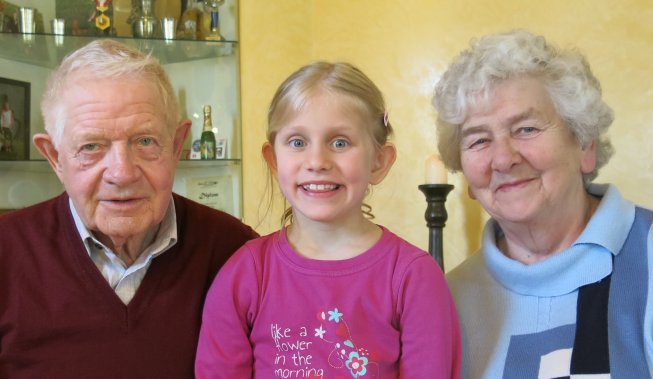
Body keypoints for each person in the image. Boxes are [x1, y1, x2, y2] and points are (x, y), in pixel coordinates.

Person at [0, 39, 257, 378]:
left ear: (177, 145)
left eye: (145, 141)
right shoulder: (7, 251)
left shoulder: (235, 251)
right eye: (91, 146)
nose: (122, 173)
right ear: (54, 157)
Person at [195, 61, 461, 378]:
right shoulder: (243, 276)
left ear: (378, 161)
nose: (317, 162)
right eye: (297, 142)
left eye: (339, 142)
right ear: (274, 160)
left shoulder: (414, 277)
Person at [432, 29, 653, 378]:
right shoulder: (447, 300)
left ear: (585, 145)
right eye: (478, 140)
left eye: (527, 129)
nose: (503, 159)